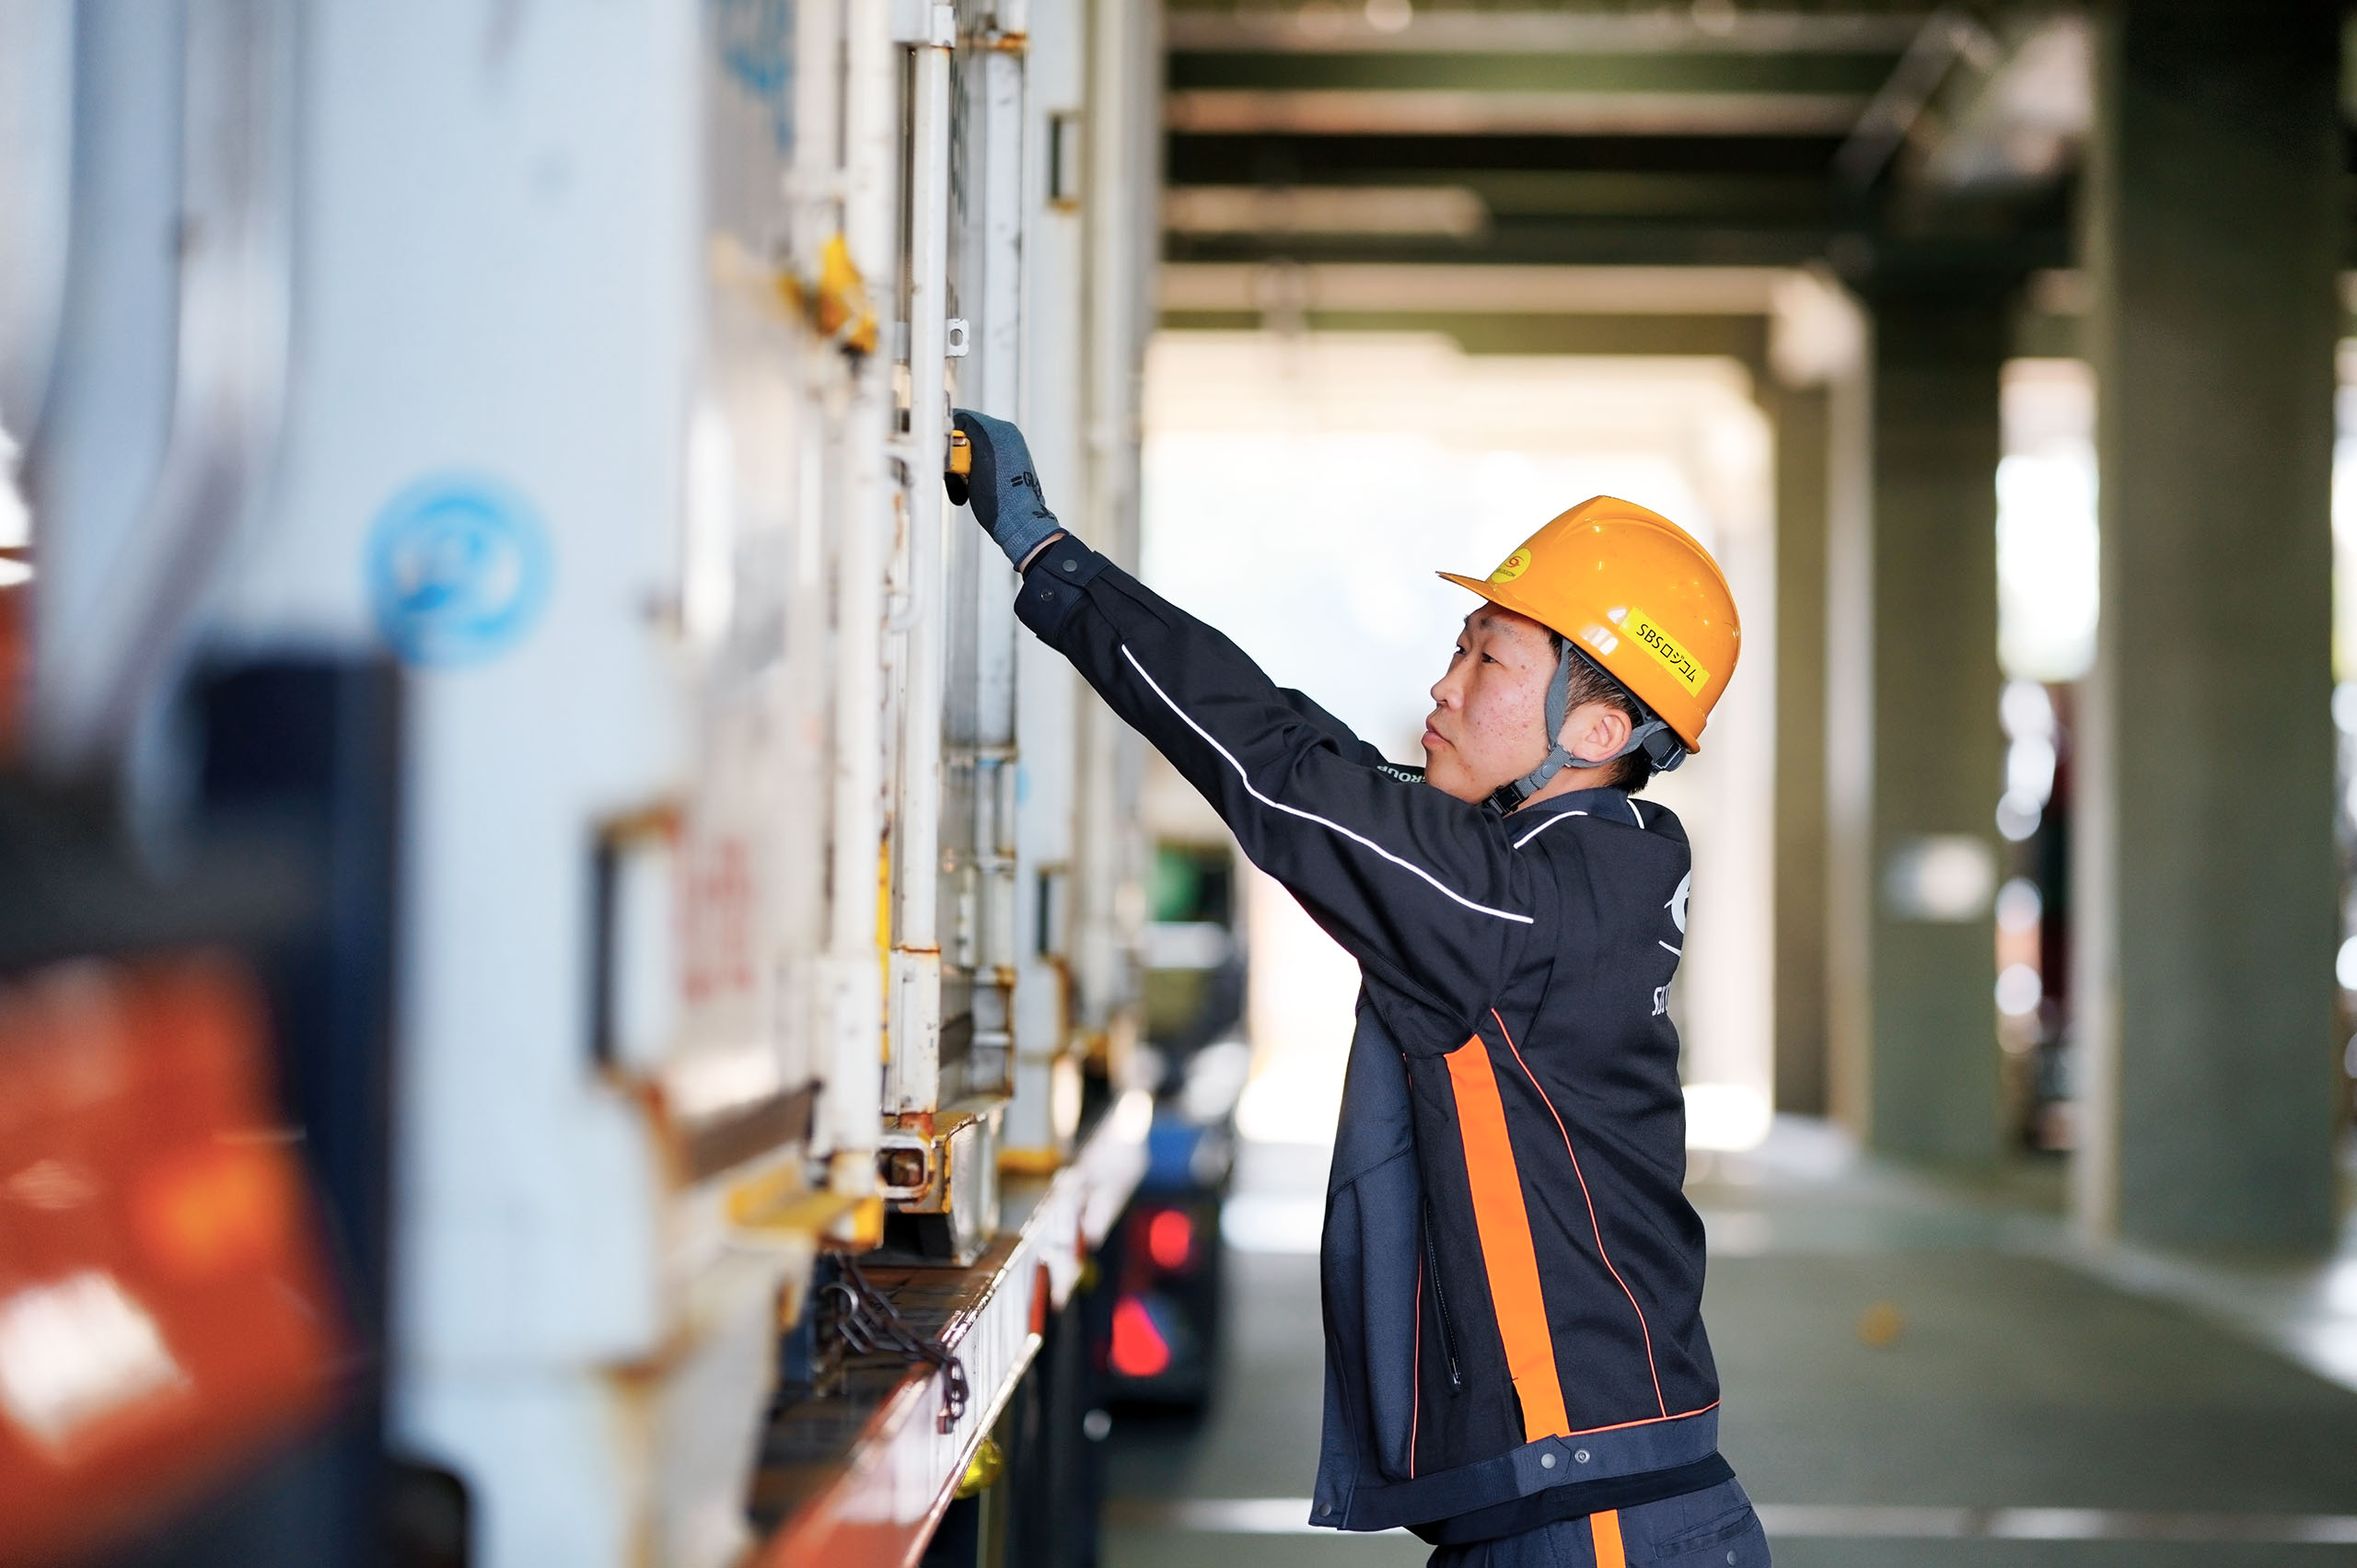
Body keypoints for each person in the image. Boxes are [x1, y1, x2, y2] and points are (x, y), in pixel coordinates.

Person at [949, 410, 1766, 1568]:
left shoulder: (1508, 905)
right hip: (1578, 1511)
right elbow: (1310, 750)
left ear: (1594, 723)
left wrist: (1049, 560)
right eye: (1457, 644)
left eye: (1488, 658)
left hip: (1594, 1530)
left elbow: (1278, 782)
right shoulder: (1559, 868)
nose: (1443, 683)